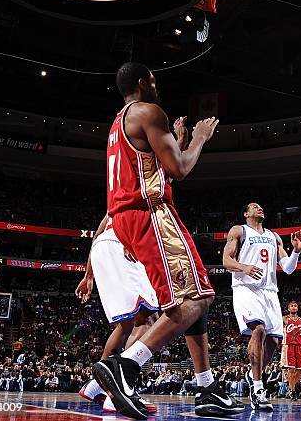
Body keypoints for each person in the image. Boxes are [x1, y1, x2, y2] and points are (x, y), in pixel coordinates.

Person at [91, 62, 242, 419]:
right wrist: (201, 137)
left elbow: (159, 167)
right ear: (143, 83)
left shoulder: (119, 123)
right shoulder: (148, 110)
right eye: (155, 81)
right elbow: (179, 169)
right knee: (197, 299)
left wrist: (179, 139)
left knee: (193, 295)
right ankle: (125, 365)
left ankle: (206, 385)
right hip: (150, 214)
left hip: (125, 219)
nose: (158, 87)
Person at [77, 118, 189, 413]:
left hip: (106, 244)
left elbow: (102, 226)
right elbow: (175, 166)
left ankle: (98, 386)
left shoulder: (122, 185)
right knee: (150, 320)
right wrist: (182, 138)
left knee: (129, 322)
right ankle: (117, 391)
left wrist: (88, 273)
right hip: (122, 241)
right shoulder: (143, 179)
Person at [222, 202, 301, 410]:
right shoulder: (239, 230)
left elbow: (287, 268)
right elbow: (226, 260)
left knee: (274, 342)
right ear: (245, 213)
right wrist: (244, 267)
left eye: (261, 206)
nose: (259, 208)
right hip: (246, 288)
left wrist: (296, 251)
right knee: (257, 330)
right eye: (254, 206)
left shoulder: (273, 236)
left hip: (270, 291)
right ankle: (258, 389)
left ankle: (252, 375)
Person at [280, 301, 301, 400]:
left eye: (295, 305)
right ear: (288, 308)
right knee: (291, 369)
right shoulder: (285, 318)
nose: (294, 307)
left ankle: (291, 388)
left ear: (298, 308)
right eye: (292, 306)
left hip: (299, 345)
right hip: (289, 345)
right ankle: (293, 391)